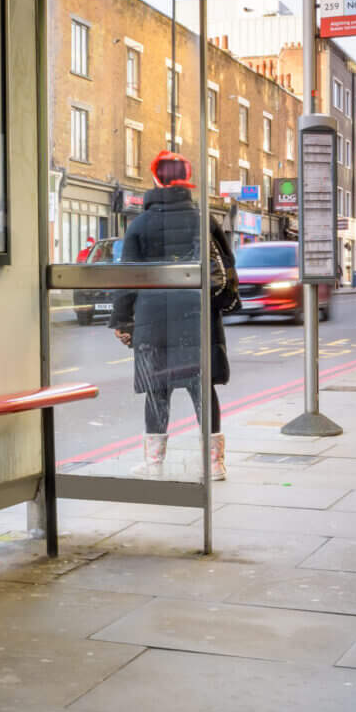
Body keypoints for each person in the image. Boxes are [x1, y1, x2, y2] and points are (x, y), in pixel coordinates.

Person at [113, 150, 235, 482]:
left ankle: (154, 464)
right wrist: (221, 305)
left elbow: (127, 277)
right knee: (203, 389)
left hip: (154, 320)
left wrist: (122, 320)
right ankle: (215, 465)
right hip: (198, 316)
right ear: (186, 180)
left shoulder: (140, 224)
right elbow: (229, 268)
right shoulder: (205, 220)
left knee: (157, 391)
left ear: (155, 180)